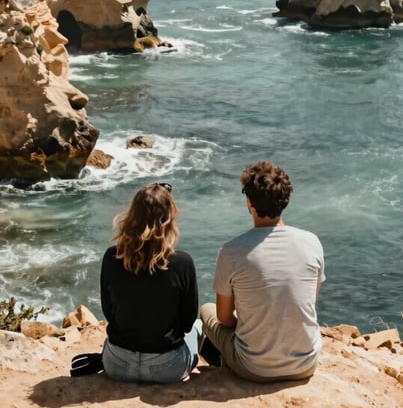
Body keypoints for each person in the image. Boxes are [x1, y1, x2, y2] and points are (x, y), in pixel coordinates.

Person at [201, 161, 325, 382]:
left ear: (250, 203)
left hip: (254, 368)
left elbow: (225, 318)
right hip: (306, 364)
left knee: (206, 310)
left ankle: (223, 364)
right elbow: (310, 299)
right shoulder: (312, 242)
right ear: (285, 201)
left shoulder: (231, 251)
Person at [100, 182, 200, 383]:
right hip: (167, 367)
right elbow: (188, 321)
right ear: (169, 219)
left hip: (117, 364)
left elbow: (108, 311)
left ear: (132, 216)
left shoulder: (112, 257)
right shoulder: (182, 262)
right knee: (199, 326)